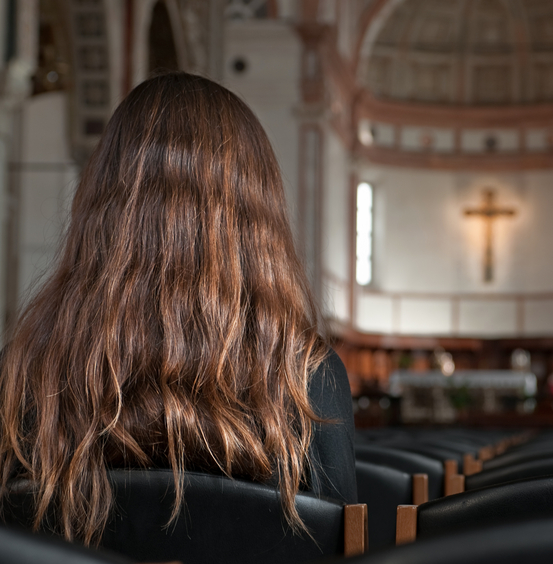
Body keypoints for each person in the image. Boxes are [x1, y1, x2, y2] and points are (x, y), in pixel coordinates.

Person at [0, 72, 355, 544]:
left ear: (102, 200)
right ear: (258, 217)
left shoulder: (21, 373)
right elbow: (344, 544)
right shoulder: (310, 379)